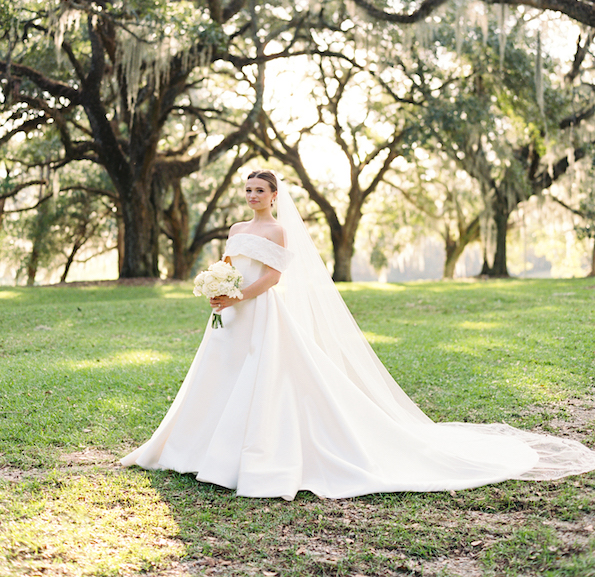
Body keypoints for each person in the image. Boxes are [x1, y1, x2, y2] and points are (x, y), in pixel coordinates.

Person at [120, 169, 595, 500]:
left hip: (257, 310)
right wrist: (217, 287)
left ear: (274, 196)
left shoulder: (280, 233)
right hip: (227, 311)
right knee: (216, 374)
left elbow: (271, 278)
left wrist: (239, 296)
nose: (250, 196)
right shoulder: (236, 226)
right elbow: (231, 265)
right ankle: (195, 449)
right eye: (247, 189)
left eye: (259, 190)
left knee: (262, 379)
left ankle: (247, 456)